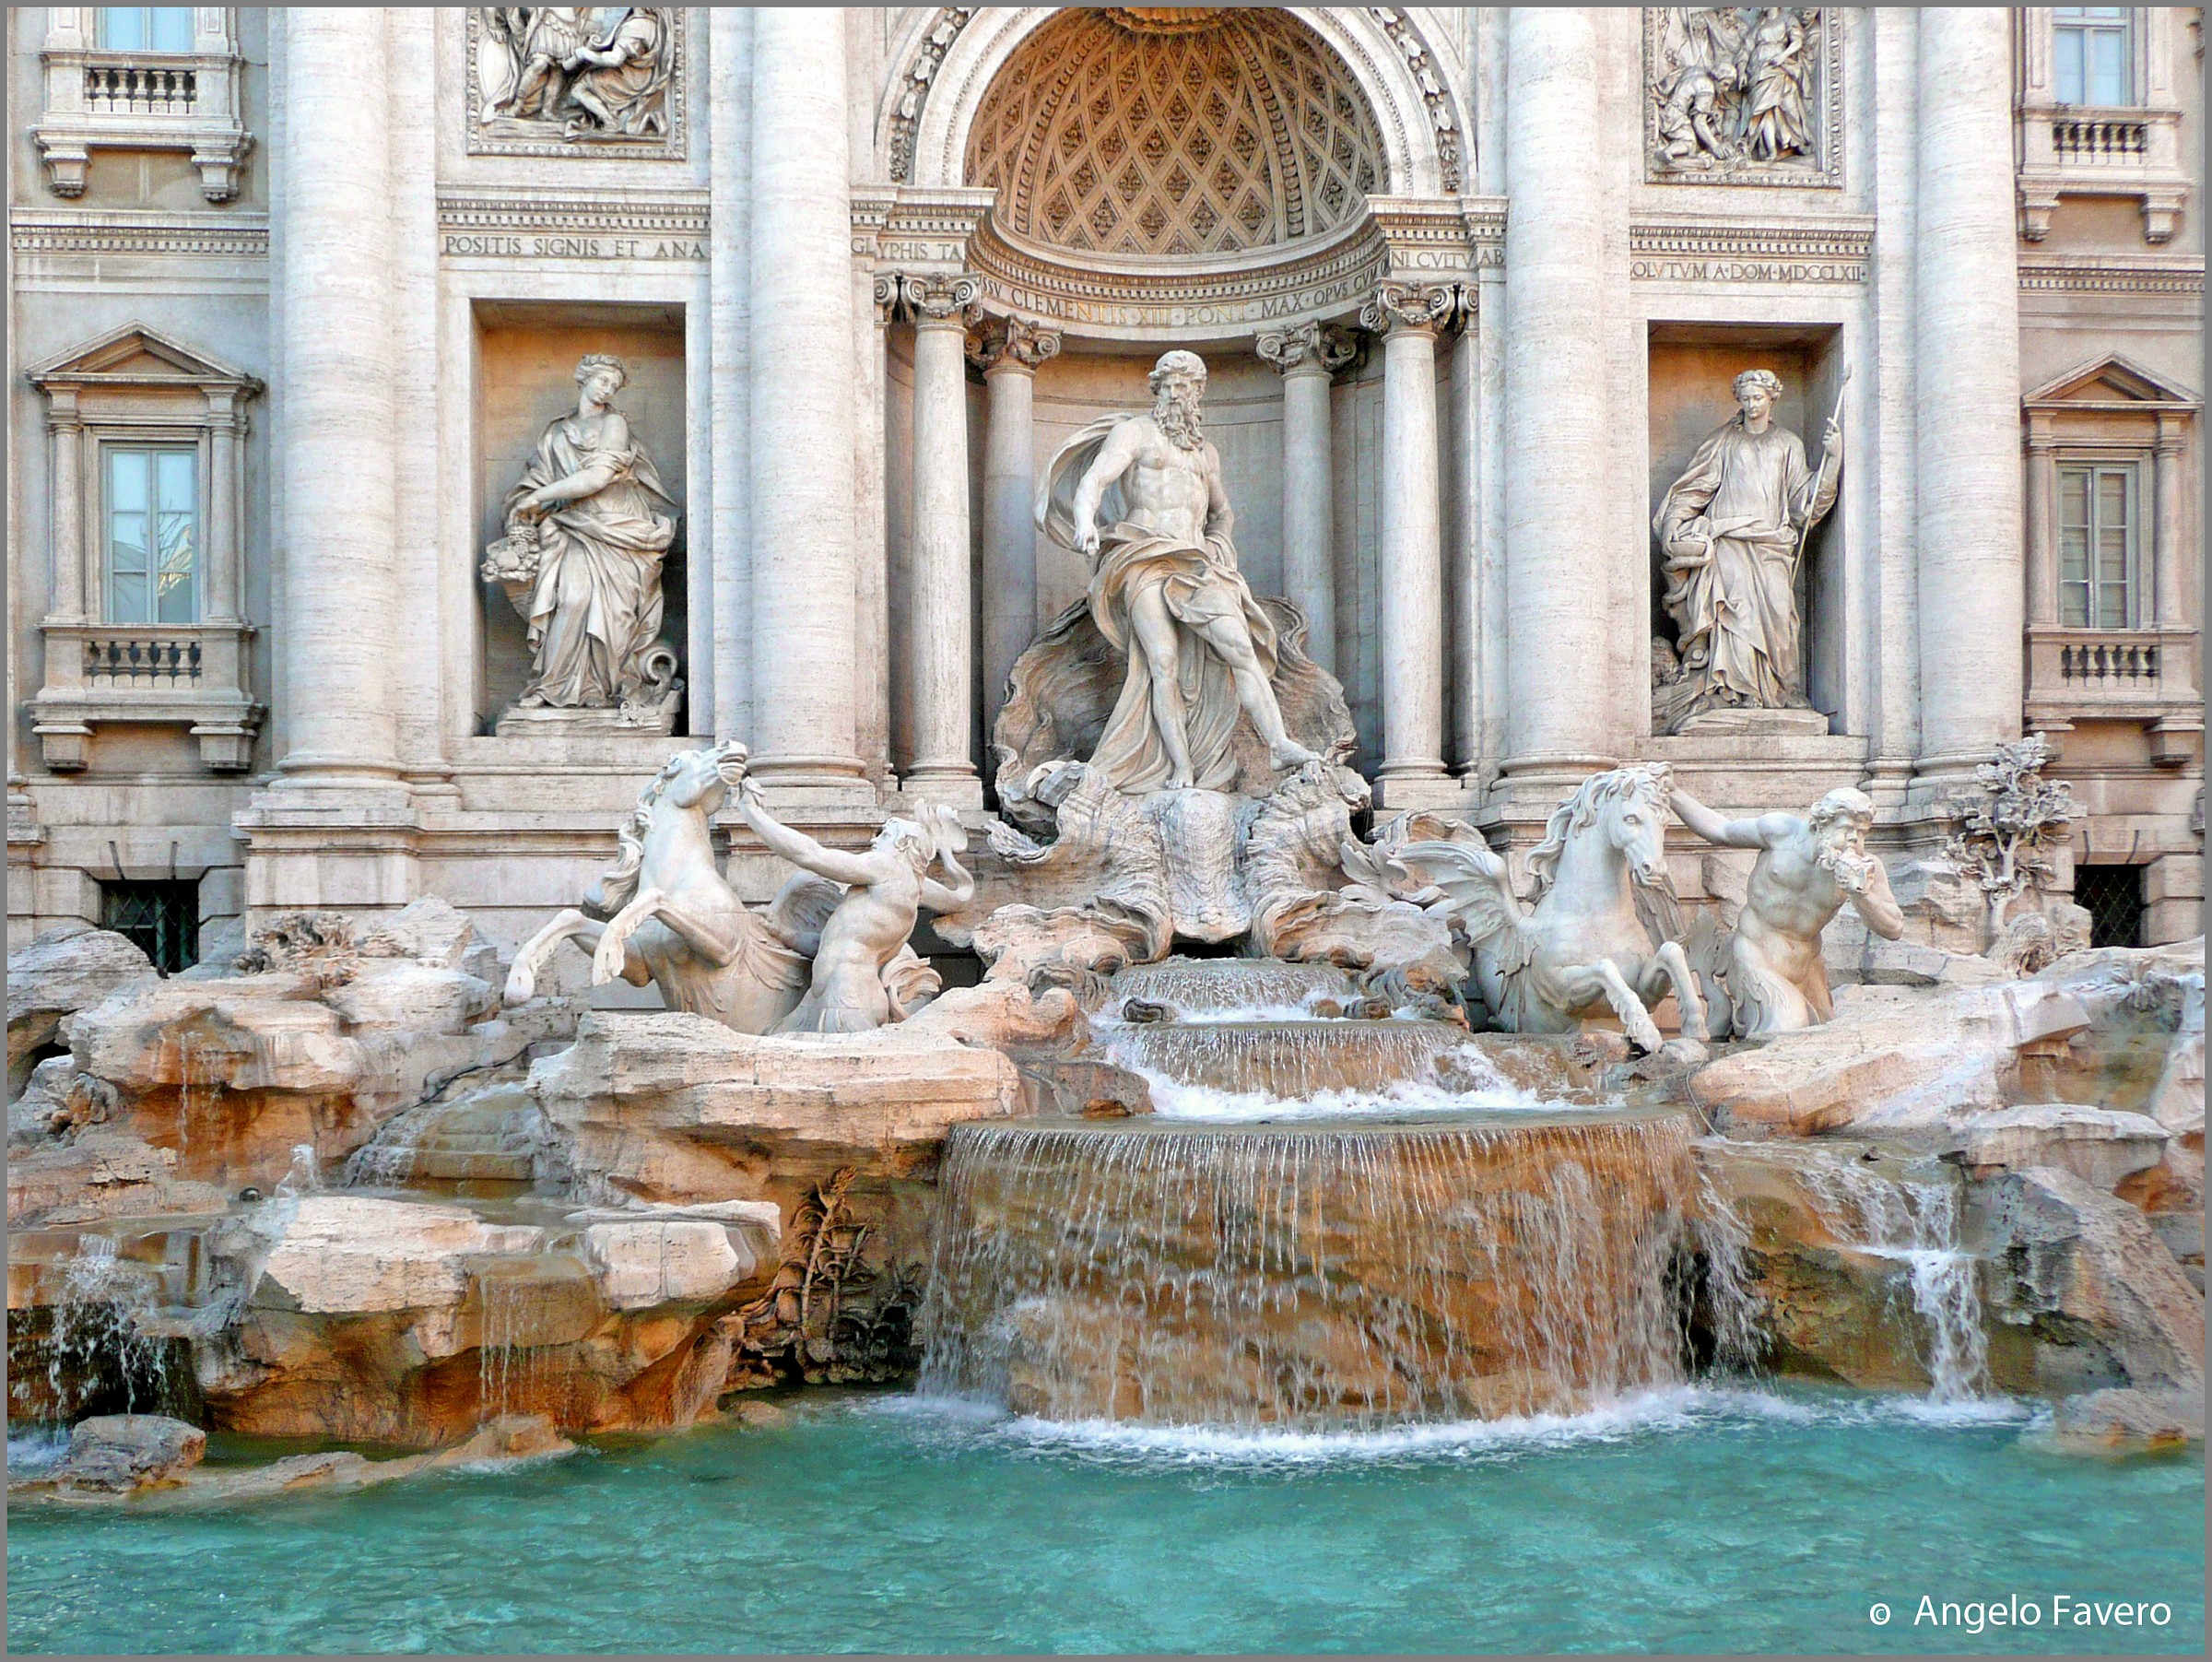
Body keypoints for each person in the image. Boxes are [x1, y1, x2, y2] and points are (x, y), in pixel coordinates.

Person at [1036, 350, 1319, 794]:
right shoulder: (1136, 434)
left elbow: (1223, 514)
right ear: (1157, 388)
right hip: (1143, 556)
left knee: (1240, 649)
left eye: (1185, 385)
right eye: (1169, 384)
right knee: (1162, 663)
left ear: (1198, 394)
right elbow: (1094, 480)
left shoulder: (1205, 455)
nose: (1177, 393)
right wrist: (1086, 521)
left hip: (1195, 564)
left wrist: (1219, 548)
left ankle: (1280, 744)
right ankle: (1181, 768)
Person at [1654, 368, 1840, 724]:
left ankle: (1780, 689)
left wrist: (1832, 460)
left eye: (1759, 398)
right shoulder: (1724, 441)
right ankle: (1736, 692)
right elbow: (1696, 489)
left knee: (1778, 613)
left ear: (1772, 399)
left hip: (1771, 543)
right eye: (1746, 399)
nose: (1752, 405)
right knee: (1734, 614)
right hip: (1728, 542)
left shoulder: (1787, 444)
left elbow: (1804, 500)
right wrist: (1675, 524)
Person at [495, 354, 677, 711]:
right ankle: (556, 688)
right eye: (602, 380)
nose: (607, 389)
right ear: (583, 379)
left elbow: (595, 479)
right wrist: (529, 501)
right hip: (573, 527)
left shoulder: (614, 425)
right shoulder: (555, 433)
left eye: (614, 384)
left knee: (615, 613)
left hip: (617, 527)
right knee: (573, 600)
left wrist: (539, 496)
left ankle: (604, 690)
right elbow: (537, 478)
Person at [734, 779, 974, 1034]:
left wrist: (753, 815)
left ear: (901, 844)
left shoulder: (887, 868)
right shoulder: (910, 888)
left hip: (849, 997)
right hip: (824, 998)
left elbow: (812, 855)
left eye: (884, 835)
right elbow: (828, 946)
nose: (874, 841)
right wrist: (783, 933)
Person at [1669, 784, 1904, 1038]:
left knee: (1818, 1047)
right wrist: (1671, 792)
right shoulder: (1780, 833)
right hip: (1756, 955)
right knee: (1787, 1029)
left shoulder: (1867, 869)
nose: (1854, 840)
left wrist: (1862, 893)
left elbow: (1893, 928)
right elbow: (1721, 830)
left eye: (1861, 832)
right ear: (1819, 826)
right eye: (1847, 829)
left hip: (1807, 969)